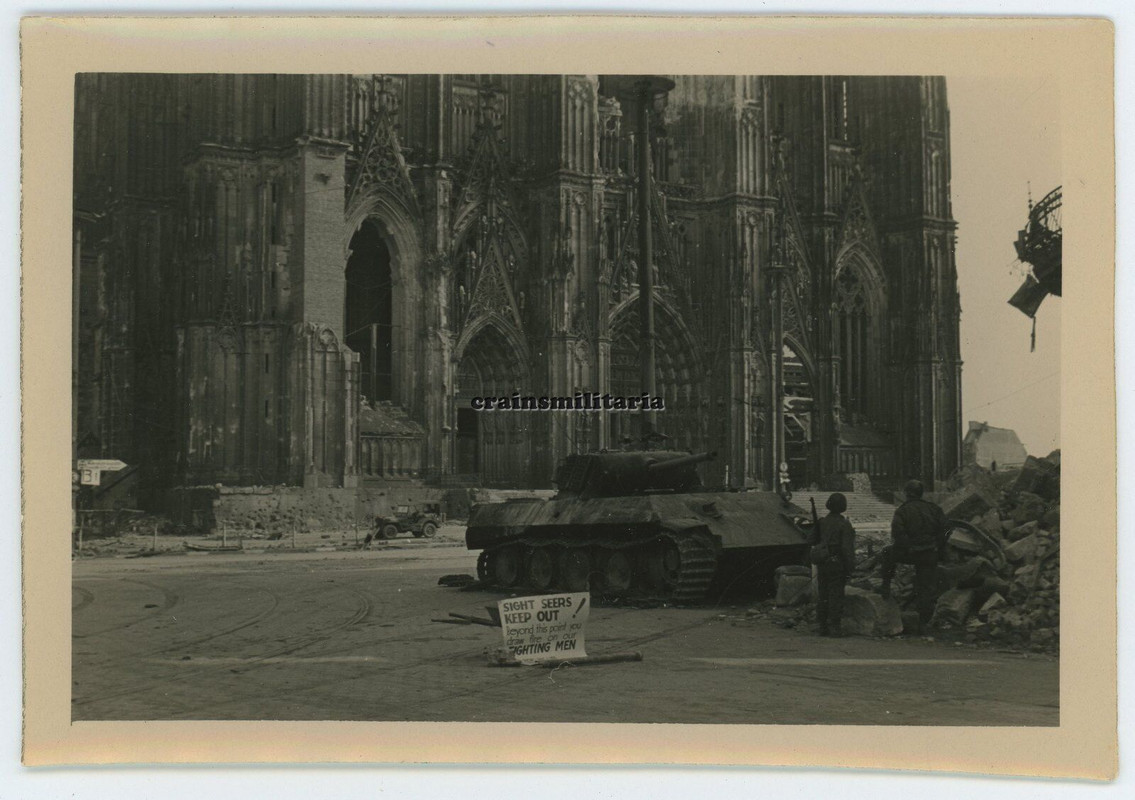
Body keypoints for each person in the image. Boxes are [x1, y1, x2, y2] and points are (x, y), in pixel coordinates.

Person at [880, 479, 948, 624]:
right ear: (921, 493)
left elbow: (898, 534)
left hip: (909, 553)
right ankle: (923, 623)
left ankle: (885, 586)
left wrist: (908, 547)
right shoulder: (934, 509)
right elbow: (944, 531)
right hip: (929, 553)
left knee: (887, 553)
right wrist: (937, 548)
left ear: (907, 493)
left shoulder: (903, 510)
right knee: (926, 587)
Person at [810, 492, 856, 637]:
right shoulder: (844, 524)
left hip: (823, 562)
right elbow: (846, 549)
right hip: (837, 563)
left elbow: (811, 539)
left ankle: (822, 626)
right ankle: (835, 627)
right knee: (836, 595)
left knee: (823, 594)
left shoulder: (822, 521)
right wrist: (850, 567)